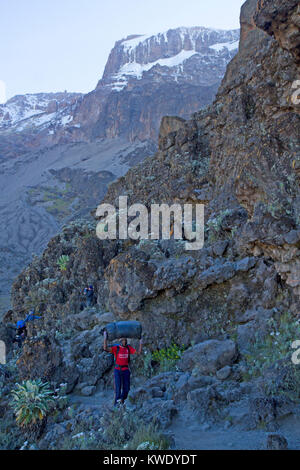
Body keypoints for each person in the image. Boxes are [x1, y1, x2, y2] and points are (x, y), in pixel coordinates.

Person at [103, 331, 142, 406]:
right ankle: (116, 405)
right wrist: (105, 338)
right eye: (123, 340)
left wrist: (141, 342)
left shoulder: (128, 348)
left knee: (126, 389)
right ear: (120, 341)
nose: (124, 341)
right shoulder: (116, 348)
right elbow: (105, 348)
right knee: (118, 389)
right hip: (118, 370)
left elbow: (138, 352)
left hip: (126, 370)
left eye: (125, 340)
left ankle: (122, 401)